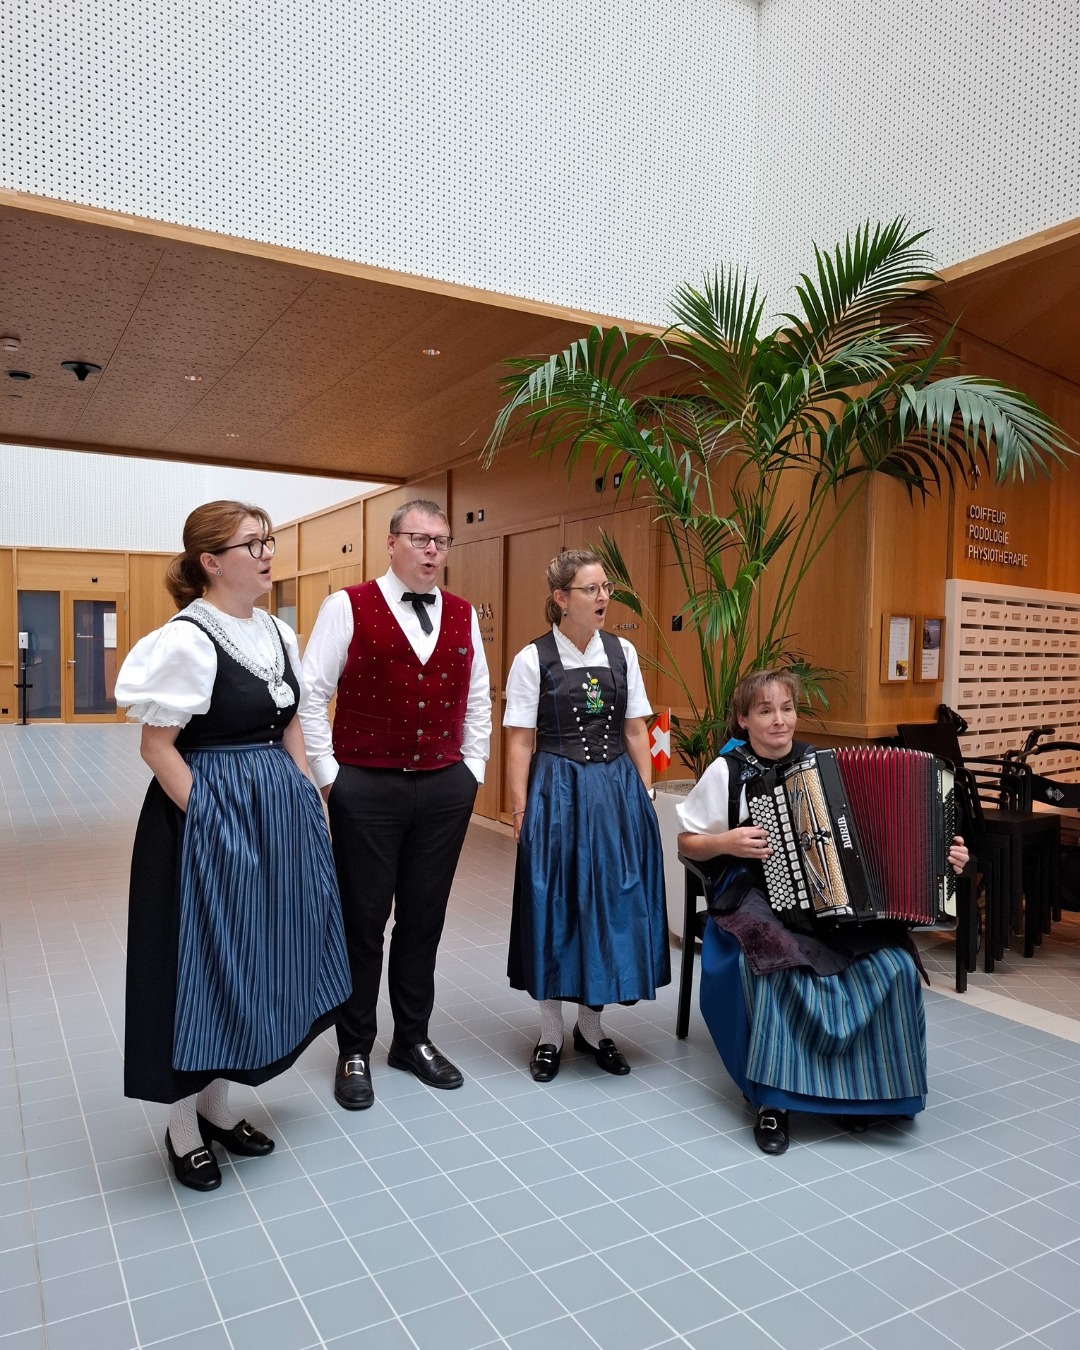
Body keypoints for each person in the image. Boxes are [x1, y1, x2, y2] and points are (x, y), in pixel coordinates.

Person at [115, 501, 351, 1192]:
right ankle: (182, 1126)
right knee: (202, 966)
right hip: (205, 822)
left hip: (275, 817)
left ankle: (218, 1108)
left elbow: (291, 725)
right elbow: (155, 746)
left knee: (252, 958)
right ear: (212, 562)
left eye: (267, 539)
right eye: (253, 543)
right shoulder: (187, 639)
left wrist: (305, 794)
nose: (268, 552)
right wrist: (213, 822)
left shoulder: (276, 633)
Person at [676, 669, 969, 1155]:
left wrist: (945, 857)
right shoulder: (727, 770)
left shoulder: (824, 764)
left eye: (786, 708)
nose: (779, 720)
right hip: (754, 893)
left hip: (837, 901)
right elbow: (687, 840)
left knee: (892, 965)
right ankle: (774, 1101)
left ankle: (859, 1095)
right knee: (778, 965)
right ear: (744, 719)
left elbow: (890, 837)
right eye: (765, 711)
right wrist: (726, 841)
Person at [299, 499, 491, 1109]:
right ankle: (354, 1047)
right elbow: (311, 696)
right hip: (366, 787)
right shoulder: (346, 606)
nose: (432, 549)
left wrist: (472, 772)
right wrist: (333, 780)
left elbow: (479, 699)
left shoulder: (462, 615)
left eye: (441, 540)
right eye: (420, 538)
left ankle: (412, 1039)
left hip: (443, 787)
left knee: (423, 921)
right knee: (362, 922)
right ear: (391, 544)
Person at [503, 550, 669, 1081]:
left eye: (606, 588)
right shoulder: (534, 659)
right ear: (561, 599)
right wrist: (521, 808)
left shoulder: (623, 652)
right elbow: (520, 740)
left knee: (607, 904)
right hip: (557, 791)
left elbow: (637, 728)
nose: (604, 598)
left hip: (615, 790)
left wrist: (644, 791)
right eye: (591, 589)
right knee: (556, 901)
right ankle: (551, 1031)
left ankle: (591, 1027)